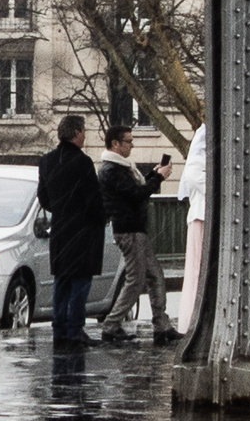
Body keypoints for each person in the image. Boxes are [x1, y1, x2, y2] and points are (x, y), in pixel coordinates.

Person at [98, 125, 181, 344]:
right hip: (130, 230)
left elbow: (134, 190)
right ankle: (112, 324)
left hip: (134, 229)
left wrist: (153, 174)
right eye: (128, 141)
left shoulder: (120, 167)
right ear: (115, 143)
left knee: (154, 274)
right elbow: (136, 194)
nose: (132, 145)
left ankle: (162, 325)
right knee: (136, 280)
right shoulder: (112, 169)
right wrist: (159, 179)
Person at [38, 114, 106, 349]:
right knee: (80, 280)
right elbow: (93, 199)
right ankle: (75, 329)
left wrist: (61, 208)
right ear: (76, 133)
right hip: (82, 230)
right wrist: (99, 218)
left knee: (62, 280)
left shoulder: (47, 161)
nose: (85, 135)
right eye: (83, 131)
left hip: (60, 229)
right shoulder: (82, 162)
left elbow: (43, 197)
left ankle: (60, 328)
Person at [176, 124, 206, 334]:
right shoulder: (196, 164)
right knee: (197, 269)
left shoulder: (198, 163)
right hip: (200, 218)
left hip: (201, 217)